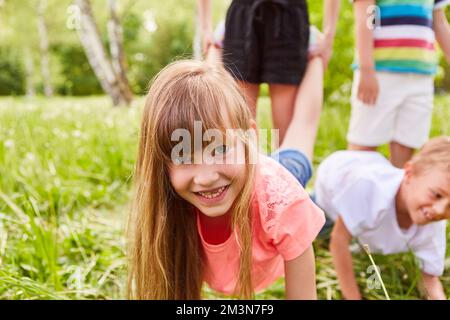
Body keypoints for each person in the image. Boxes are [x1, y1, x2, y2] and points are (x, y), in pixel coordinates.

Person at [127, 56, 326, 299]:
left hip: (272, 180)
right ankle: (214, 46)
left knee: (301, 132)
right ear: (161, 164)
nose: (207, 177)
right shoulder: (165, 208)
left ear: (250, 139)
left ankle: (315, 57)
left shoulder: (285, 205)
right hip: (240, 173)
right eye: (183, 157)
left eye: (220, 149)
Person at [314, 136, 450, 300]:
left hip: (370, 184)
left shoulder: (434, 223)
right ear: (409, 174)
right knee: (310, 227)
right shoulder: (368, 189)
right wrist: (353, 297)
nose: (440, 210)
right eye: (436, 195)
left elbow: (429, 278)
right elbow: (338, 241)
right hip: (335, 187)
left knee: (364, 235)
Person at [197, 0, 337, 144]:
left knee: (287, 135)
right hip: (242, 17)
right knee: (241, 128)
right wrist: (205, 28)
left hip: (289, 19)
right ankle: (247, 165)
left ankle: (284, 165)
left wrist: (329, 36)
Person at [348, 0, 450, 168]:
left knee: (405, 146)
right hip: (380, 74)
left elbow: (439, 22)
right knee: (364, 145)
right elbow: (366, 15)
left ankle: (394, 193)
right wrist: (366, 69)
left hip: (421, 77)